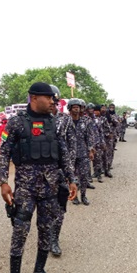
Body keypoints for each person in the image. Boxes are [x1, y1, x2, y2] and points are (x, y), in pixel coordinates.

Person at [0, 82, 77, 273]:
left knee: (46, 231)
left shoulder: (54, 123)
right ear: (34, 97)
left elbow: (63, 154)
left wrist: (72, 179)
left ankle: (39, 271)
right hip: (25, 189)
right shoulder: (15, 123)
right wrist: (3, 182)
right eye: (49, 97)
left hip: (50, 188)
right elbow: (3, 152)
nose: (53, 101)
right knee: (19, 234)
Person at [49, 84, 76, 257]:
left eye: (54, 100)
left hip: (59, 171)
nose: (51, 104)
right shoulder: (28, 119)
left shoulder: (65, 120)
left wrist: (69, 172)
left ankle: (54, 239)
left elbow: (71, 144)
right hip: (36, 174)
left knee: (59, 207)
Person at [68, 98, 95, 205]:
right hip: (70, 155)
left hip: (83, 153)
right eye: (74, 107)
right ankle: (74, 196)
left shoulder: (86, 121)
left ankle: (83, 196)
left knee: (83, 176)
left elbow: (89, 137)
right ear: (70, 109)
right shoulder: (66, 121)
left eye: (77, 107)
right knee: (72, 177)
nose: (76, 109)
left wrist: (91, 150)